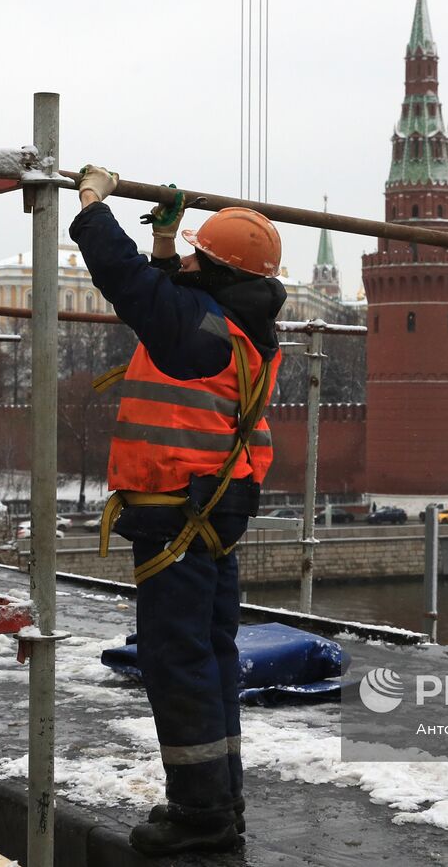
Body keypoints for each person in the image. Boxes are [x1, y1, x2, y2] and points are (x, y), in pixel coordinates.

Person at [69, 166, 286, 855]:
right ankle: (220, 803)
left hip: (177, 514)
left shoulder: (199, 333)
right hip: (213, 513)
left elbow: (127, 280)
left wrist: (92, 203)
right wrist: (166, 238)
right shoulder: (237, 325)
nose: (187, 262)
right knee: (210, 654)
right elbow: (176, 294)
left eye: (198, 255)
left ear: (219, 271)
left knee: (178, 660)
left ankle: (200, 820)